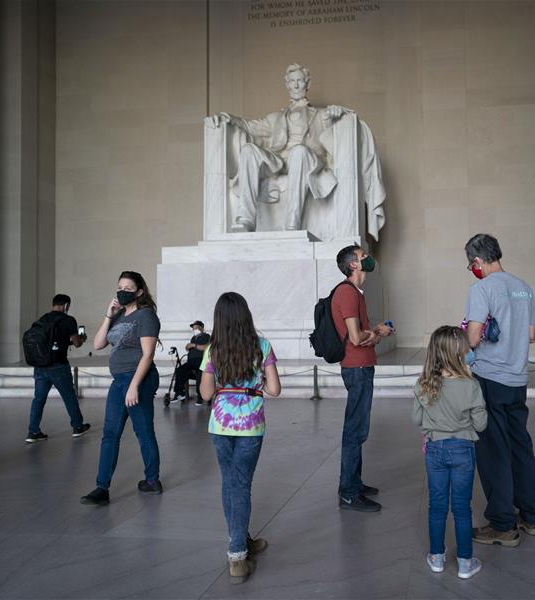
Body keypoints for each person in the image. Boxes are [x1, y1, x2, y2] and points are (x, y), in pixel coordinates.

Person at [463, 233, 535, 547]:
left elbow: (471, 338)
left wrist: (474, 334)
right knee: (520, 446)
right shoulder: (524, 287)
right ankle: (532, 516)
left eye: (472, 264)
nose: (473, 269)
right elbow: (532, 334)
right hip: (517, 378)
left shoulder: (481, 288)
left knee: (493, 452)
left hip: (490, 378)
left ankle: (502, 524)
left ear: (478, 261)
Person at [199, 292, 281, 584]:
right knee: (241, 484)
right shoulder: (262, 345)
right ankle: (237, 554)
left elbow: (206, 394)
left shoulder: (213, 350)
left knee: (230, 481)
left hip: (220, 424)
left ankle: (241, 539)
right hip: (250, 426)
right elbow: (274, 389)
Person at [210, 64, 350, 231]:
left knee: (299, 151)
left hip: (307, 159)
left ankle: (293, 221)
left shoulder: (321, 115)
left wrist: (337, 113)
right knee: (248, 150)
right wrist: (229, 118)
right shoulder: (274, 118)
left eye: (299, 80)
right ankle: (245, 219)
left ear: (308, 84)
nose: (296, 85)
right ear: (287, 84)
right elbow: (248, 126)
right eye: (292, 81)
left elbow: (344, 124)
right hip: (279, 160)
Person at [80, 271, 163, 506]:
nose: (122, 291)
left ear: (139, 292)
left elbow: (148, 355)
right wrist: (109, 315)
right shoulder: (118, 317)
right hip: (119, 381)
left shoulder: (146, 316)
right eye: (119, 287)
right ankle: (101, 487)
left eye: (128, 288)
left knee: (143, 431)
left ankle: (152, 480)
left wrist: (134, 386)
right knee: (110, 433)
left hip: (138, 378)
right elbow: (97, 344)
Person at [413, 325, 487, 580]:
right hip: (463, 450)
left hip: (434, 450)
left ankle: (436, 557)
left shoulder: (423, 384)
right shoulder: (471, 385)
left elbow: (416, 418)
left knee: (437, 506)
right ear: (461, 353)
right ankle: (465, 562)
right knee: (462, 508)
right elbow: (481, 424)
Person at [331, 244, 394, 512]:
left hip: (361, 367)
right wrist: (379, 332)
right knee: (355, 431)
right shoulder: (347, 293)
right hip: (356, 368)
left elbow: (359, 334)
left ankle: (353, 482)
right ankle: (349, 493)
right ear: (353, 265)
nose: (368, 259)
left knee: (358, 429)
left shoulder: (356, 293)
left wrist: (374, 332)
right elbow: (356, 338)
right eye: (362, 256)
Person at [25, 294, 91, 443]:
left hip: (40, 366)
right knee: (69, 396)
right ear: (66, 306)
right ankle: (77, 426)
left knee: (39, 399)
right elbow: (77, 343)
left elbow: (49, 341)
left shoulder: (43, 319)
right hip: (58, 366)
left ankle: (33, 431)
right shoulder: (68, 320)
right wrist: (82, 338)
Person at [173, 320, 210, 405]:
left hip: (201, 360)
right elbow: (189, 347)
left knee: (200, 372)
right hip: (191, 361)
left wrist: (193, 345)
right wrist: (188, 346)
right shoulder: (193, 338)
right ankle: (179, 392)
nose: (194, 329)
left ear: (201, 327)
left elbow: (207, 346)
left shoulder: (206, 336)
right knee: (180, 370)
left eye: (196, 327)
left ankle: (200, 396)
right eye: (193, 328)